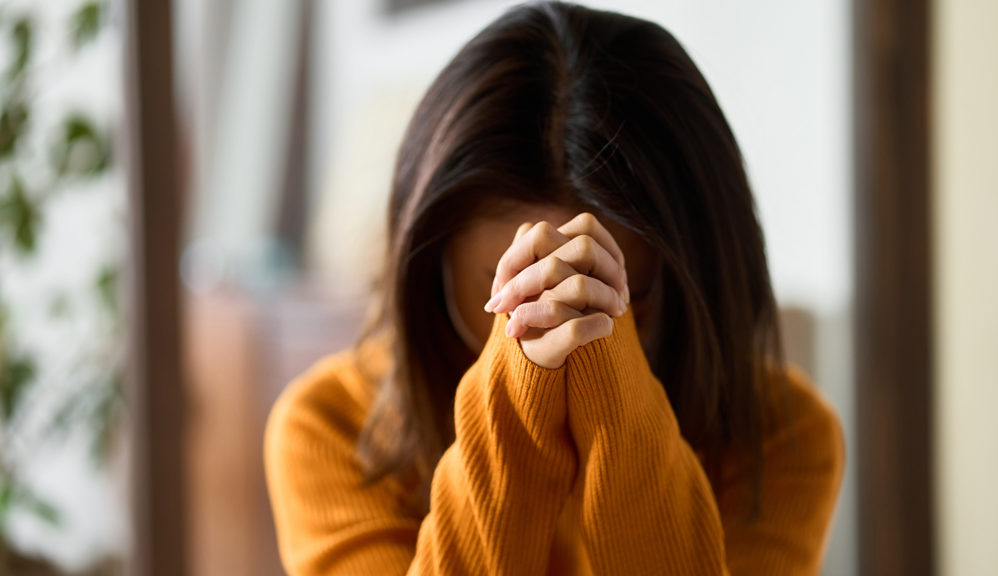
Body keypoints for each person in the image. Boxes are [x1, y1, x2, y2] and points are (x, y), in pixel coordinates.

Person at [264, 2, 844, 574]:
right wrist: (515, 395)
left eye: (616, 293)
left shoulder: (781, 436)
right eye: (511, 287)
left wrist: (616, 398)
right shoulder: (330, 428)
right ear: (429, 267)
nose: (560, 322)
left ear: (702, 273)